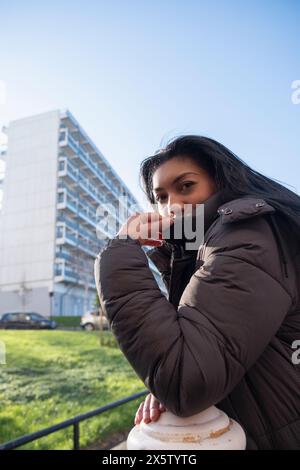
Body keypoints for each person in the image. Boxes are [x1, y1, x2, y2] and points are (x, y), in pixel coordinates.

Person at [94, 135, 300, 449]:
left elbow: (185, 379)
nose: (171, 205)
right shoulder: (197, 249)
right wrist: (160, 388)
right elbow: (210, 345)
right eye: (160, 197)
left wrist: (120, 250)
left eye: (186, 186)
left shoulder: (247, 232)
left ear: (222, 182)